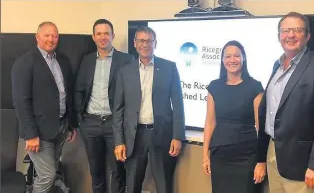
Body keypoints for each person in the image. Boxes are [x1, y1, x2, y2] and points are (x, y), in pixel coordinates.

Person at [255, 12, 314, 193]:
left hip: (304, 164)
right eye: (285, 30)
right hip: (274, 154)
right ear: (279, 36)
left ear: (308, 36)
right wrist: (262, 156)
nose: (290, 35)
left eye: (297, 30)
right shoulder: (276, 66)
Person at [113, 26, 185, 193]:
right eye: (141, 40)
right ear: (135, 43)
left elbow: (178, 104)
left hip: (161, 134)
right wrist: (118, 141)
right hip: (134, 136)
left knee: (164, 185)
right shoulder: (125, 71)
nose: (145, 44)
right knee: (132, 185)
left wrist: (177, 136)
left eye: (149, 41)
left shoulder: (169, 68)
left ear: (155, 44)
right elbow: (118, 109)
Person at [11, 21, 77, 193]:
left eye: (54, 35)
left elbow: (67, 93)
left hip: (61, 127)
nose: (51, 39)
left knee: (50, 173)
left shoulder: (63, 60)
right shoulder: (25, 63)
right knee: (48, 175)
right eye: (47, 35)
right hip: (38, 132)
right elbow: (21, 101)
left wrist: (71, 124)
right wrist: (30, 134)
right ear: (37, 37)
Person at [74, 19, 134, 193]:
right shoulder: (87, 60)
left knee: (117, 171)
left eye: (106, 33)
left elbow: (131, 94)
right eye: (99, 34)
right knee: (96, 171)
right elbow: (79, 90)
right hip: (90, 124)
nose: (103, 37)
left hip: (114, 124)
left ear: (113, 36)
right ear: (93, 37)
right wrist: (80, 120)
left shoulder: (126, 60)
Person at [202, 40, 264, 193]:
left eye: (236, 56)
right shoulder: (214, 86)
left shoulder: (255, 87)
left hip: (247, 155)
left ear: (244, 58)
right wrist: (205, 156)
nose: (232, 60)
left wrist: (261, 161)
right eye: (228, 56)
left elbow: (260, 127)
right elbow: (210, 123)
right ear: (222, 60)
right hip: (220, 154)